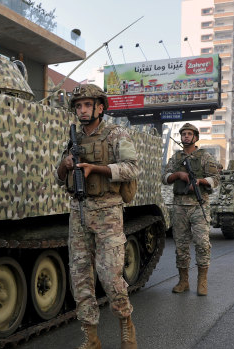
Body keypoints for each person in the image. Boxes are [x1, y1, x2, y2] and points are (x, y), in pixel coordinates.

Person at [55, 84, 139, 349]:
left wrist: (97, 169)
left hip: (108, 212)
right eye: (78, 106)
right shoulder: (73, 139)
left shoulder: (116, 134)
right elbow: (57, 179)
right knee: (80, 277)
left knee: (111, 277)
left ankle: (126, 325)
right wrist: (65, 165)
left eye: (87, 105)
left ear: (100, 108)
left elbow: (132, 169)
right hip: (78, 212)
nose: (82, 110)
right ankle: (90, 337)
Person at [162, 123, 219, 296]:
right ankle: (183, 280)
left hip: (198, 206)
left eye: (189, 134)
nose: (186, 136)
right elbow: (165, 178)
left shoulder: (205, 157)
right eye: (183, 134)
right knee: (181, 245)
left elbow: (215, 179)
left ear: (195, 137)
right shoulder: (176, 157)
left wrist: (200, 182)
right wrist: (178, 175)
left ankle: (202, 281)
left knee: (202, 244)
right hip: (179, 206)